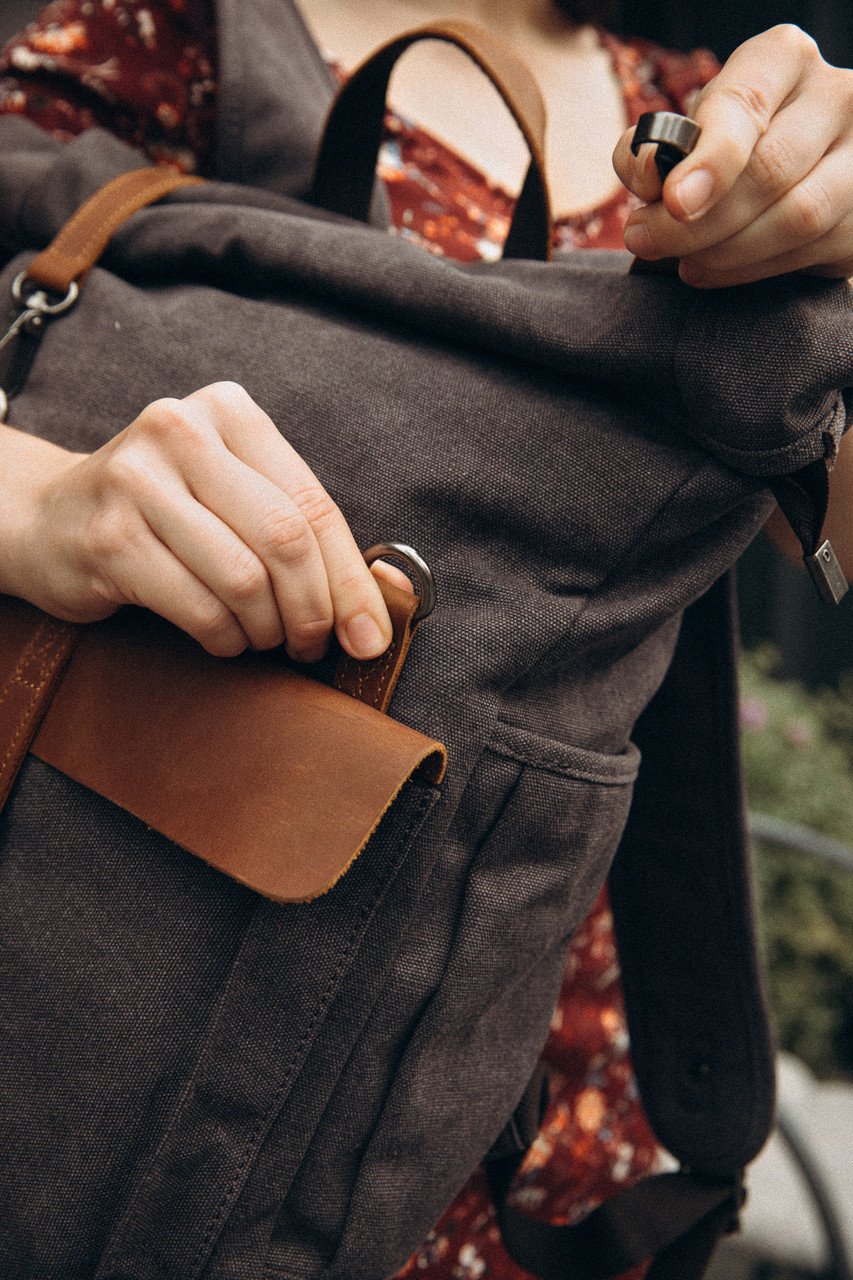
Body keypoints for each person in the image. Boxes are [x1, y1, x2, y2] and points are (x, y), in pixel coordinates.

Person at [0, 3, 851, 1279]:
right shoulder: (153, 26)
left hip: (532, 1080)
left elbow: (830, 539)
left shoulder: (712, 113)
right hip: (171, 1005)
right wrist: (35, 503)